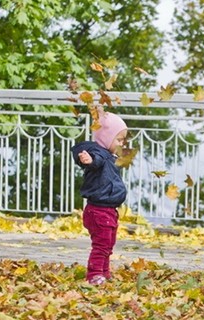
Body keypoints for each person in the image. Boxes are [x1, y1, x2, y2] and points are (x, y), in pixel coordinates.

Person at [71, 111, 128, 285]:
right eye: (118, 140)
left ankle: (104, 271)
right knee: (102, 244)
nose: (122, 143)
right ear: (106, 138)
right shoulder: (100, 154)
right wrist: (88, 160)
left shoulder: (109, 156)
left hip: (108, 210)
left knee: (108, 243)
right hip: (99, 211)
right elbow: (94, 160)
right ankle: (94, 274)